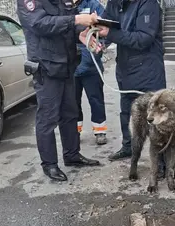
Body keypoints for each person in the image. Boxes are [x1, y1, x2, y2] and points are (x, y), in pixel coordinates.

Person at [17, 0, 102, 182]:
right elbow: (39, 24)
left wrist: (81, 34)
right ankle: (49, 164)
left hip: (67, 65)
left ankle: (72, 155)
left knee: (70, 113)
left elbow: (65, 25)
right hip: (46, 67)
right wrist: (77, 19)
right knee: (47, 119)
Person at [97, 0, 167, 167]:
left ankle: (162, 162)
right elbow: (106, 24)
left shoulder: (148, 4)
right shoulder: (116, 3)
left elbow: (144, 38)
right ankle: (128, 146)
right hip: (125, 69)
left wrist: (110, 34)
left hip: (148, 70)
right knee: (126, 112)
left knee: (154, 116)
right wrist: (99, 40)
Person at [74, 0, 108, 146]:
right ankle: (74, 131)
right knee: (72, 102)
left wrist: (101, 45)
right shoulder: (62, 6)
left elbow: (106, 29)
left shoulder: (94, 5)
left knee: (96, 100)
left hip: (91, 63)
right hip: (71, 65)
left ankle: (100, 130)